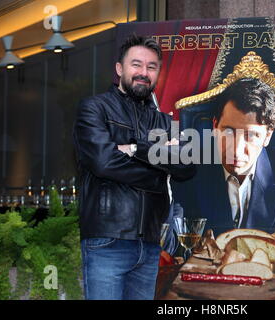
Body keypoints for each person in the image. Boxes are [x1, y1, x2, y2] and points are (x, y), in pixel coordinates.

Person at [73, 34, 195, 300]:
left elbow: (187, 166)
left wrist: (135, 149)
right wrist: (161, 168)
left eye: (151, 67)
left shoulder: (163, 121)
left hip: (151, 244)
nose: (143, 72)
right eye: (136, 64)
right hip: (107, 239)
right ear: (120, 69)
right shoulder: (95, 108)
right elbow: (104, 163)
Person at [172, 78, 275, 239]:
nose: (236, 150)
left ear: (267, 136)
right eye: (228, 131)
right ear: (215, 127)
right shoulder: (188, 167)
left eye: (251, 135)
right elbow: (170, 244)